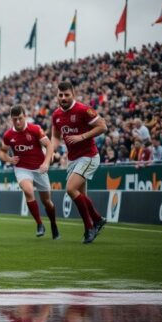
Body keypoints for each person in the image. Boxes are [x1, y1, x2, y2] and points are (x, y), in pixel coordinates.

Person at [51, 81, 108, 244]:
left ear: (73, 94)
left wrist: (82, 136)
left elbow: (103, 126)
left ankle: (94, 223)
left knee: (70, 189)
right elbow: (55, 136)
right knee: (80, 195)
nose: (63, 98)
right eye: (60, 95)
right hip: (73, 159)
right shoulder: (56, 115)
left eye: (66, 94)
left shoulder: (83, 110)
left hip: (89, 156)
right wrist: (52, 149)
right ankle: (92, 226)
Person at [0, 105, 59, 239]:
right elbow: (2, 152)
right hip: (22, 168)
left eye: (20, 118)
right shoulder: (9, 135)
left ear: (24, 116)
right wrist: (9, 159)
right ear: (11, 119)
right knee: (28, 190)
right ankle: (39, 224)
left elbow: (49, 146)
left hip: (39, 168)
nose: (18, 122)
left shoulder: (35, 129)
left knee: (47, 202)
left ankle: (54, 224)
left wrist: (45, 162)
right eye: (15, 119)